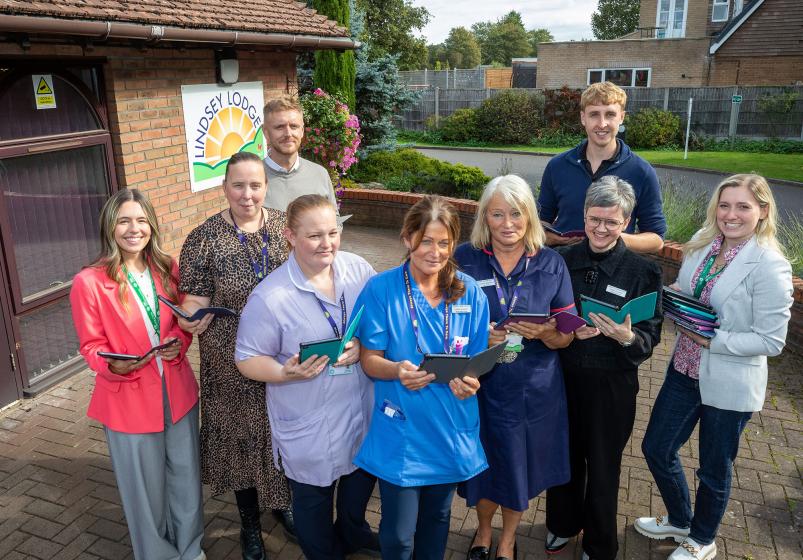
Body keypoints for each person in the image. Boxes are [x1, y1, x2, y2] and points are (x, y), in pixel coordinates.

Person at [635, 174, 793, 560]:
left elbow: (771, 340)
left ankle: (703, 539)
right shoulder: (703, 244)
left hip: (729, 381)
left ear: (763, 211)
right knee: (656, 448)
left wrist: (713, 341)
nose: (731, 214)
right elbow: (688, 293)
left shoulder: (770, 265)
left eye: (743, 206)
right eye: (724, 205)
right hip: (684, 369)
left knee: (713, 468)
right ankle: (680, 520)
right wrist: (667, 299)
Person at [234, 194, 380, 559]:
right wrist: (284, 371)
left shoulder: (359, 270)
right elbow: (247, 359)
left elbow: (380, 321)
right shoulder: (270, 297)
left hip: (359, 409)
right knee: (313, 507)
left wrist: (363, 344)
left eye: (333, 232)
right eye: (314, 236)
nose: (327, 243)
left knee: (357, 491)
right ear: (290, 236)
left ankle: (353, 534)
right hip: (310, 421)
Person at [353, 195, 491, 560]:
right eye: (426, 240)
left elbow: (476, 362)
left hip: (449, 426)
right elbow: (369, 360)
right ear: (407, 238)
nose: (435, 251)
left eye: (444, 242)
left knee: (438, 519)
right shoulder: (382, 290)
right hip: (403, 430)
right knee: (398, 536)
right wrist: (397, 370)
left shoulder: (470, 293)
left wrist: (470, 382)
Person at [70, 189, 204, 560]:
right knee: (144, 493)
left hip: (177, 390)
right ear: (110, 227)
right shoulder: (89, 282)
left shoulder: (167, 267)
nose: (134, 229)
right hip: (127, 398)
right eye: (124, 221)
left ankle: (190, 549)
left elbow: (181, 324)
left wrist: (179, 341)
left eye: (142, 220)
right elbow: (91, 346)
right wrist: (112, 365)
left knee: (186, 479)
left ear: (152, 226)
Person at [454, 175, 576, 560]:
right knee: (483, 467)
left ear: (530, 217)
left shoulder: (552, 263)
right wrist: (479, 336)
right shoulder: (464, 258)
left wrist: (546, 332)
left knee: (517, 469)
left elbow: (566, 336)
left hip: (532, 390)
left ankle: (507, 539)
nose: (508, 223)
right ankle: (483, 532)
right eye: (497, 214)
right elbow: (441, 324)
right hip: (479, 386)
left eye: (516, 213)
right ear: (484, 218)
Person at [178, 151, 291, 560]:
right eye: (238, 185)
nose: (247, 194)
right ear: (224, 187)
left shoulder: (284, 227)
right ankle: (249, 525)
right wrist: (192, 316)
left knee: (280, 433)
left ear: (266, 186)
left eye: (255, 185)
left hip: (280, 355)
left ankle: (282, 504)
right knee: (241, 441)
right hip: (229, 361)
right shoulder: (203, 238)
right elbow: (193, 299)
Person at [544, 176, 664, 560]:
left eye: (611, 222)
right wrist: (562, 328)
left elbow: (651, 335)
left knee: (603, 466)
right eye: (594, 219)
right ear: (584, 215)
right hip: (564, 378)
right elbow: (544, 312)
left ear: (626, 222)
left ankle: (599, 543)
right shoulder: (561, 260)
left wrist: (627, 337)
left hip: (612, 385)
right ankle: (562, 524)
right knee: (564, 456)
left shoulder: (644, 272)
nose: (601, 228)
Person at [537, 81, 666, 253]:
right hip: (563, 264)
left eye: (610, 114)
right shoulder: (558, 166)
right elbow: (541, 222)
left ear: (622, 117)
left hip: (614, 267)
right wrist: (552, 239)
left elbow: (656, 239)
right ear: (583, 118)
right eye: (594, 114)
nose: (602, 123)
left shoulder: (641, 171)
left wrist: (610, 237)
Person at [262, 94, 338, 212]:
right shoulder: (252, 179)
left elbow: (333, 219)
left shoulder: (319, 174)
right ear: (266, 132)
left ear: (302, 131)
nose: (288, 134)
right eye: (280, 127)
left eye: (294, 126)